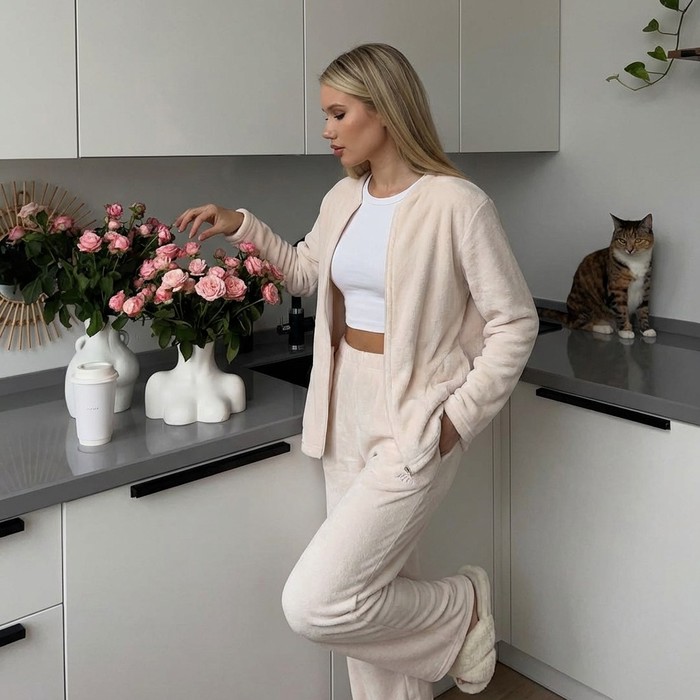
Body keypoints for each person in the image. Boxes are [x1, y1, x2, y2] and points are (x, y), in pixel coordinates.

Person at [176, 43, 538, 699]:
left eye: (338, 114)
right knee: (371, 598)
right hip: (344, 407)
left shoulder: (458, 204)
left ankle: (462, 606)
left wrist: (456, 420)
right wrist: (243, 226)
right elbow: (307, 273)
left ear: (385, 110)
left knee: (319, 603)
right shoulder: (345, 197)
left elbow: (514, 321)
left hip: (418, 415)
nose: (327, 130)